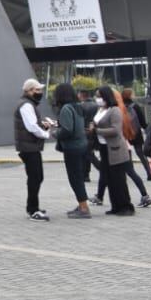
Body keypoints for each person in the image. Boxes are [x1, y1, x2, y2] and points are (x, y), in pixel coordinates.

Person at [13, 78, 55, 221]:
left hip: (29, 146)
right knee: (35, 177)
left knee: (36, 177)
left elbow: (31, 124)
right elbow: (31, 126)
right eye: (37, 90)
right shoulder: (26, 105)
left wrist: (43, 125)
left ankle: (32, 207)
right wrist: (45, 134)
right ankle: (33, 210)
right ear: (29, 91)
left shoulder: (29, 104)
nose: (40, 92)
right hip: (29, 147)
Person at [93, 86, 138, 215]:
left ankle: (126, 206)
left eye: (100, 96)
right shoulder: (100, 110)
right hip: (103, 147)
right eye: (96, 96)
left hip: (115, 148)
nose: (97, 99)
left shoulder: (114, 110)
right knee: (109, 178)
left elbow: (115, 130)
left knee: (118, 179)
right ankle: (115, 206)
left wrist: (97, 131)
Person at [52, 83, 92, 218]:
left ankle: (84, 208)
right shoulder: (78, 107)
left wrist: (55, 133)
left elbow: (67, 130)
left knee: (75, 178)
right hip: (82, 145)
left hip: (72, 147)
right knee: (79, 177)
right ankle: (82, 204)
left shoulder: (65, 109)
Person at [120, 89, 151, 182]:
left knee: (127, 154)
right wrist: (148, 130)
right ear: (130, 96)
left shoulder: (120, 107)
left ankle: (132, 174)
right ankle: (149, 173)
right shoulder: (135, 106)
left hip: (125, 133)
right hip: (136, 132)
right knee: (140, 153)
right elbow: (142, 121)